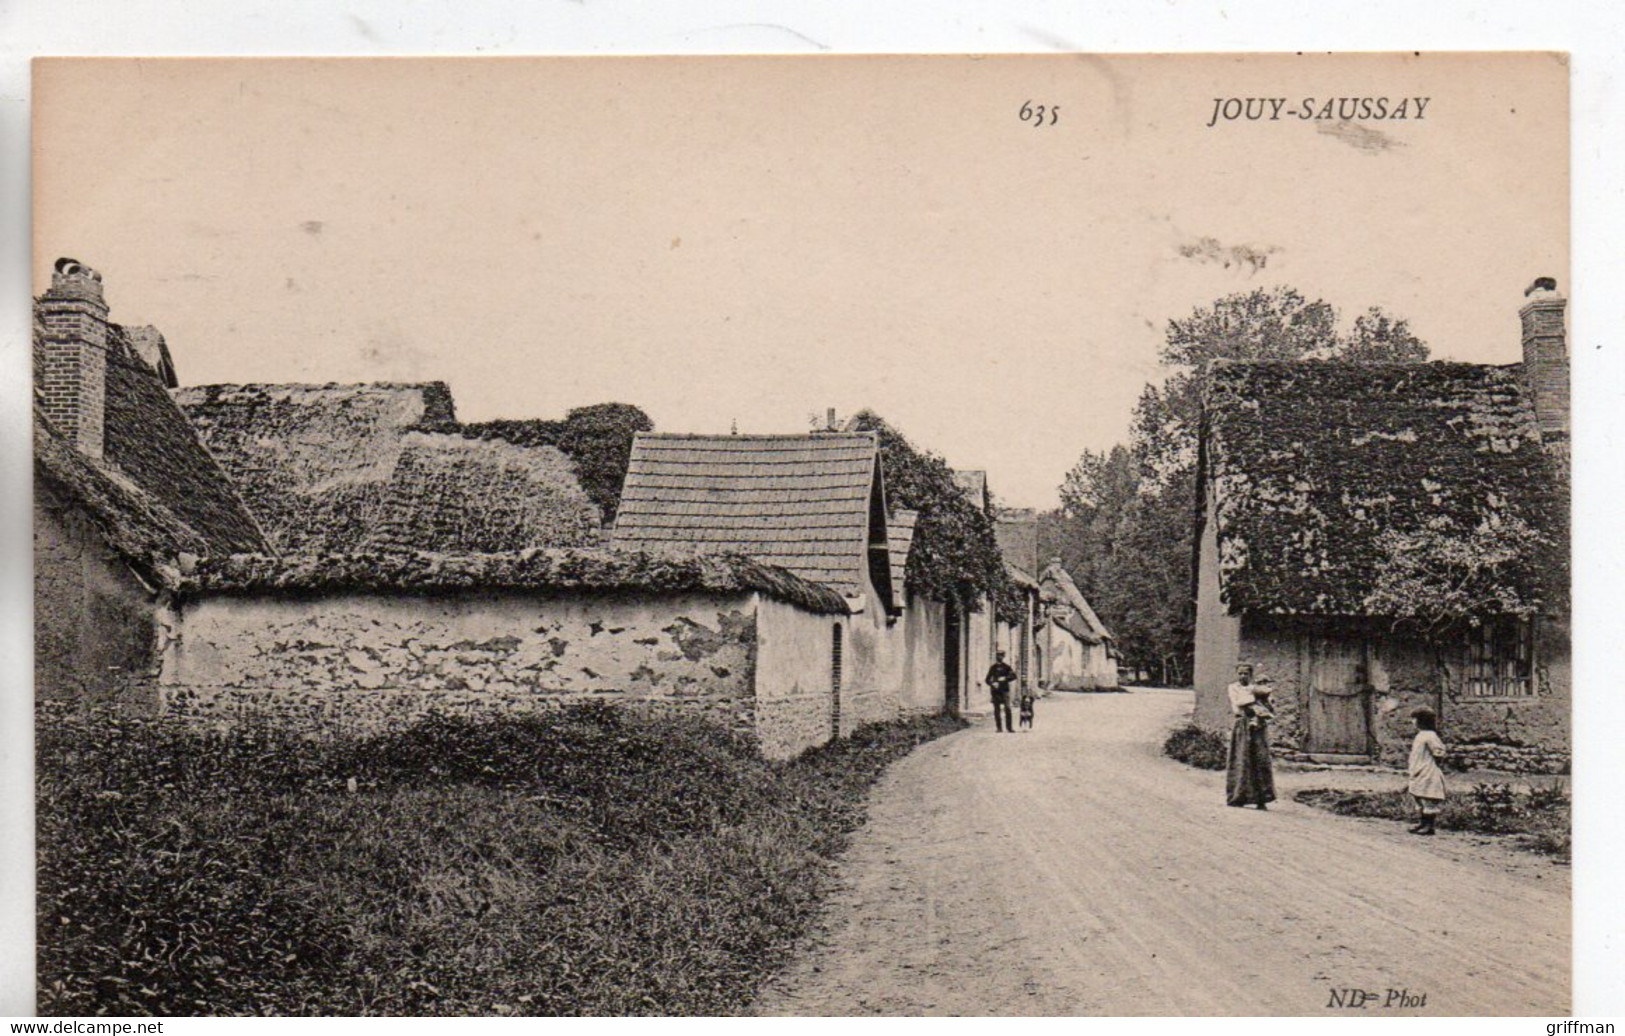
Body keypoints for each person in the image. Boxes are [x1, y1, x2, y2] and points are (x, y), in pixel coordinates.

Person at [1225, 662, 1276, 809]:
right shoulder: (1233, 688)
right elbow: (1238, 702)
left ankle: (1262, 799)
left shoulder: (1255, 688)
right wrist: (1256, 696)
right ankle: (1238, 797)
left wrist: (1265, 699)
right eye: (1240, 673)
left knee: (1260, 759)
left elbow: (1270, 705)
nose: (1242, 676)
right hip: (1242, 724)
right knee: (1242, 758)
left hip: (1258, 726)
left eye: (1245, 673)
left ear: (1250, 675)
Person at [1407, 708, 1448, 835]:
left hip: (1428, 771)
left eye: (1415, 719)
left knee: (1428, 798)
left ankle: (1429, 826)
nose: (1412, 722)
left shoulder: (1430, 735)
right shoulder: (1420, 735)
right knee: (1419, 796)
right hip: (1418, 770)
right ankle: (1422, 823)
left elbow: (1439, 751)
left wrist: (1436, 763)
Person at [985, 651, 1017, 734]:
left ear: (1003, 657)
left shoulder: (1007, 667)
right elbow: (987, 679)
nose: (999, 657)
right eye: (998, 655)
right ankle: (999, 728)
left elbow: (1014, 676)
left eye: (1001, 655)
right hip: (995, 691)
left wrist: (1005, 678)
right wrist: (992, 683)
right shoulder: (993, 667)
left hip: (1004, 690)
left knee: (1007, 708)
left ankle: (1009, 728)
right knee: (996, 709)